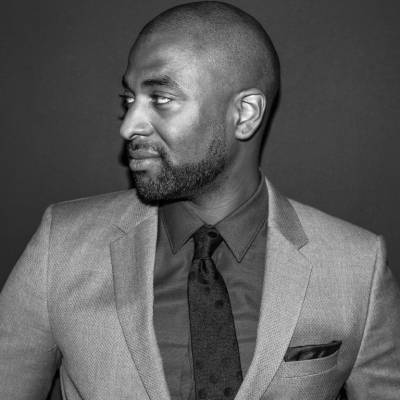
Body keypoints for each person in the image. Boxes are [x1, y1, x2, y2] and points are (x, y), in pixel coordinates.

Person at [1, 1, 399, 399]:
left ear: (245, 114)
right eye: (129, 100)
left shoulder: (356, 267)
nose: (129, 126)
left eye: (161, 99)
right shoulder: (62, 247)